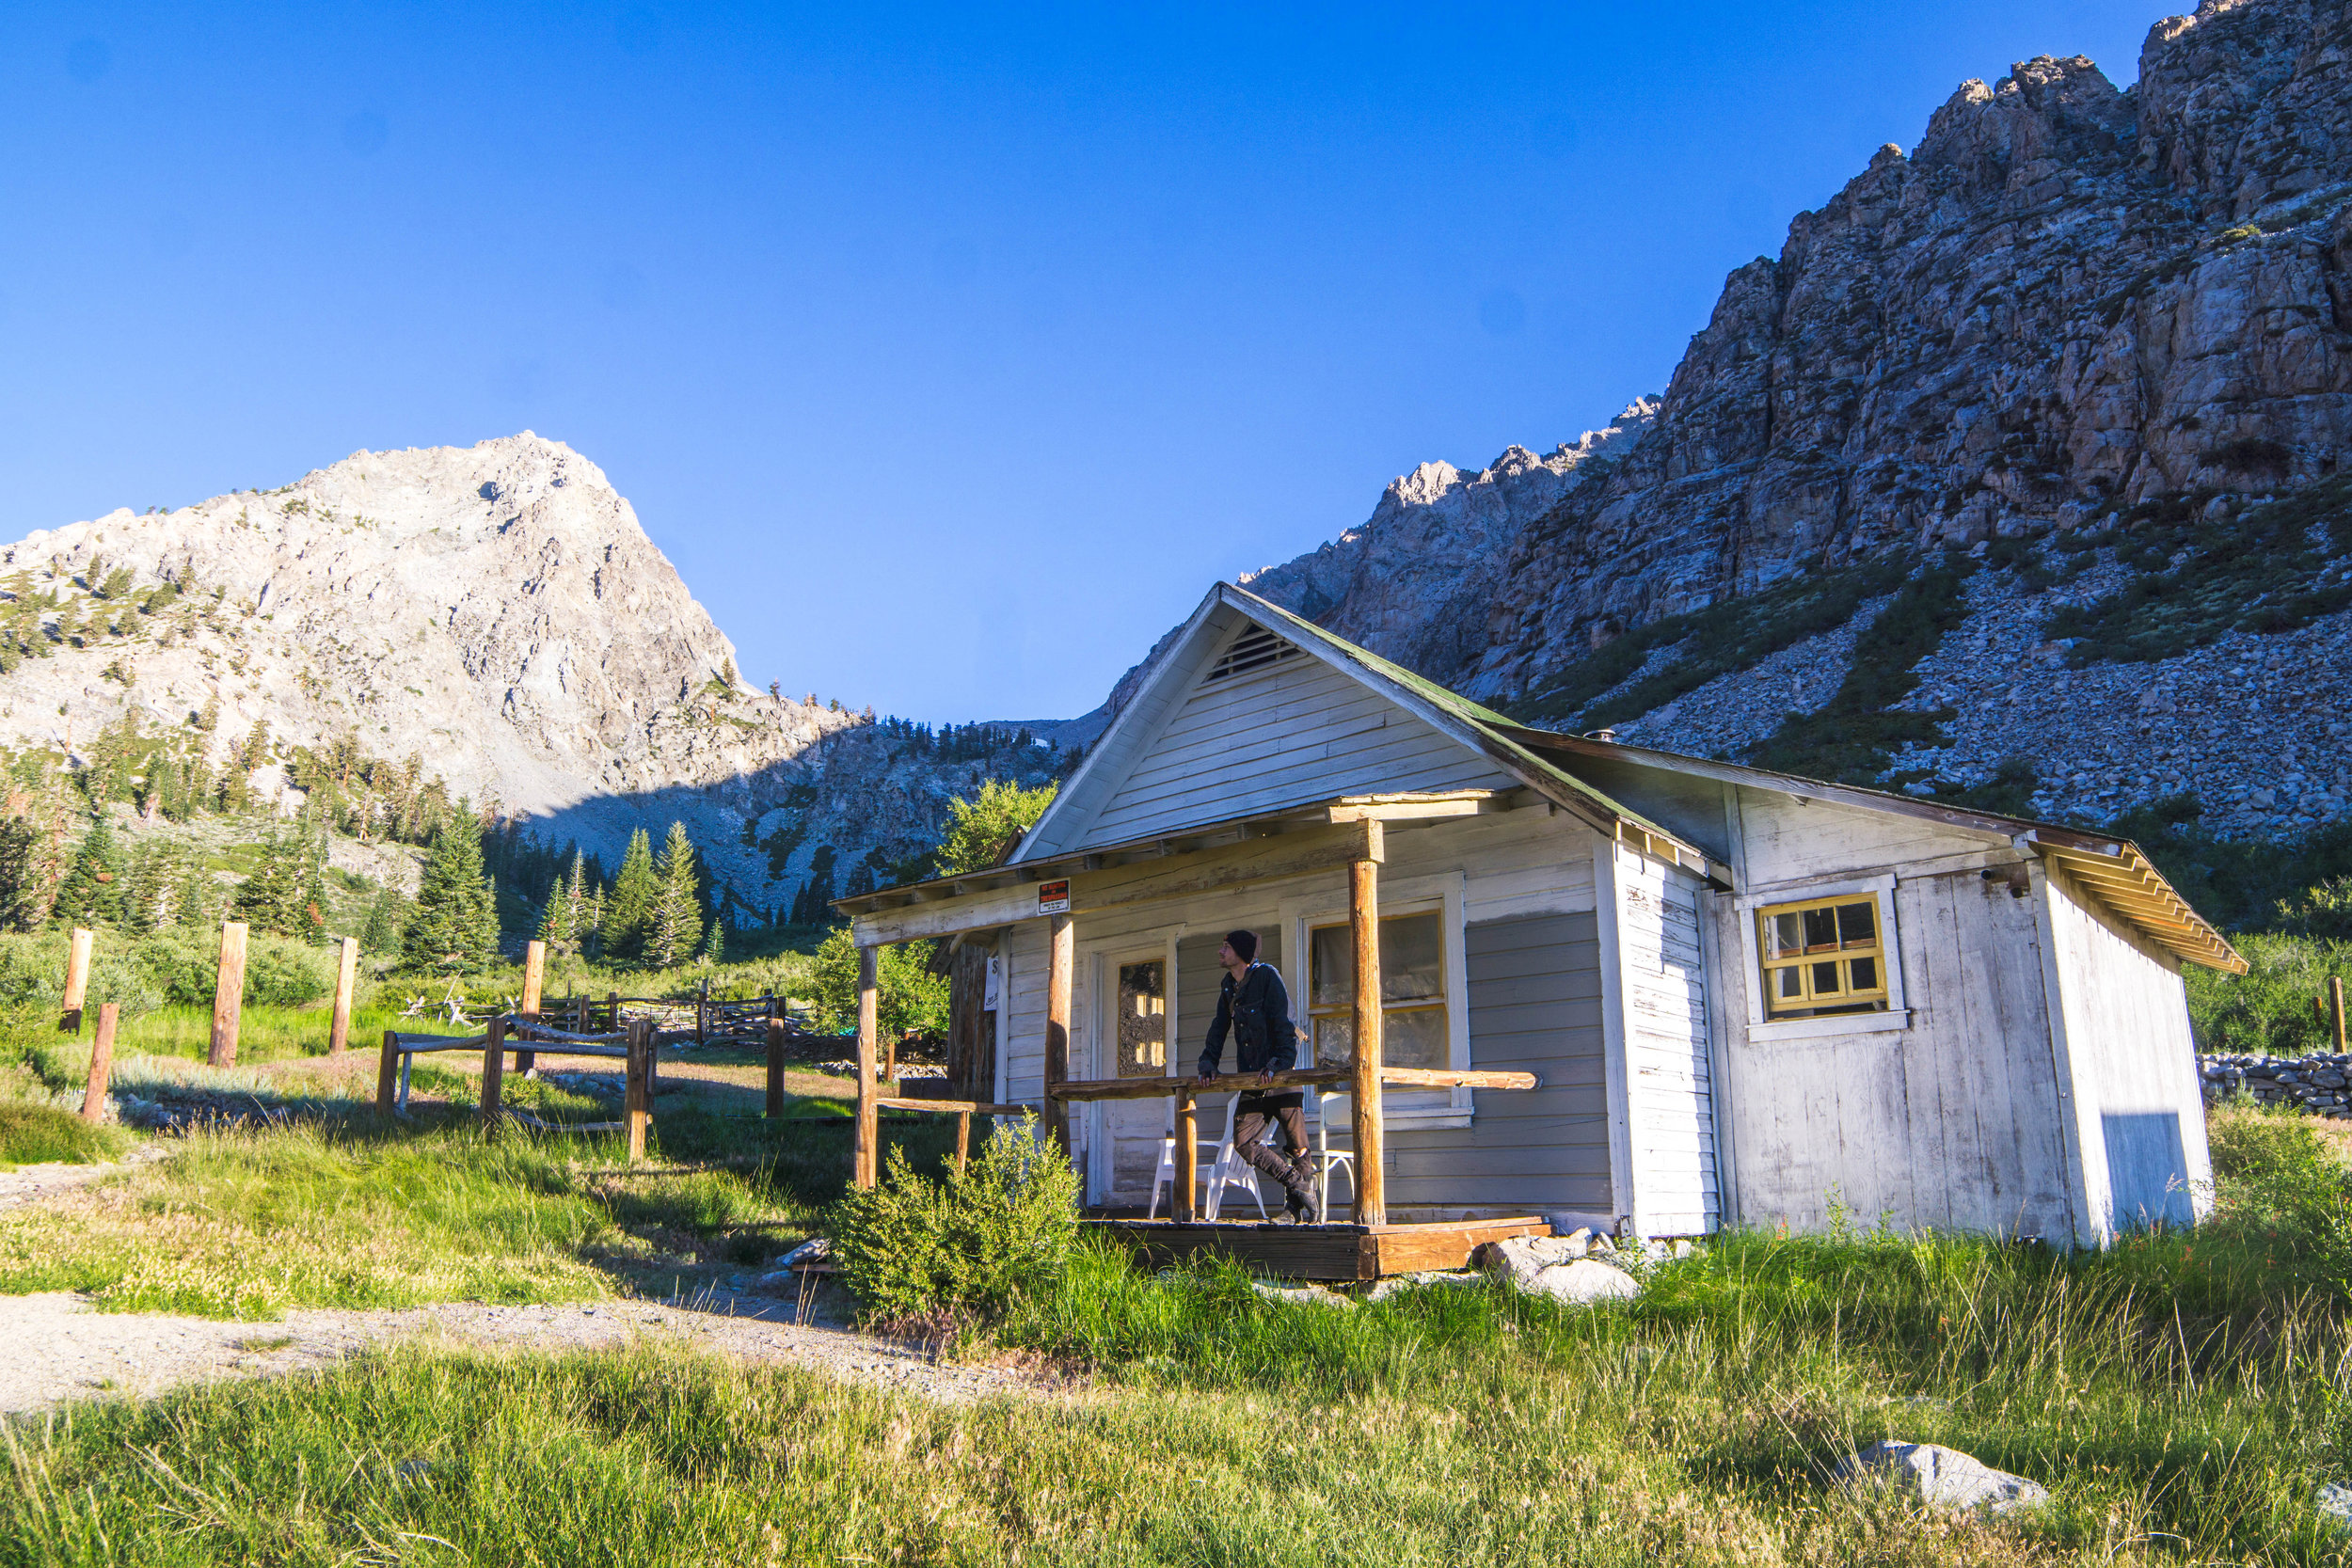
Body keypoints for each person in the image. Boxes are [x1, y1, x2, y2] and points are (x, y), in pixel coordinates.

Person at [1195, 928, 1319, 1224]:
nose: (1220, 951)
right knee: (1243, 1141)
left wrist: (1277, 1065)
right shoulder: (1228, 986)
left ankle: (1295, 1212)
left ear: (1240, 953)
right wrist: (1208, 1063)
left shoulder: (1268, 978)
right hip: (1252, 1078)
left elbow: (1285, 1026)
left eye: (1225, 947)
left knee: (1297, 1144)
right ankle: (1298, 1185)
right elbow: (1218, 1028)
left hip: (1280, 1075)